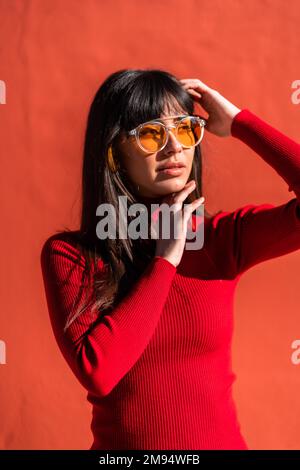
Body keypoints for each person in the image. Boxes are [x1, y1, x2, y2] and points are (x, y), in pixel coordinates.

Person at [40, 69, 300, 450]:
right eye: (150, 133)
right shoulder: (72, 256)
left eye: (183, 129)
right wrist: (164, 261)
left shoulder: (222, 239)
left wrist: (240, 123)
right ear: (113, 152)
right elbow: (99, 372)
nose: (174, 147)